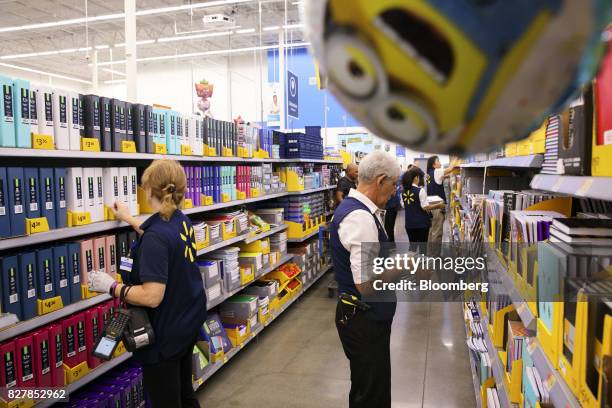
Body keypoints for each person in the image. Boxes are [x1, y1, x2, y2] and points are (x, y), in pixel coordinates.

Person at [88, 159, 206, 408]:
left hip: (165, 337)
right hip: (186, 325)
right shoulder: (180, 220)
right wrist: (130, 219)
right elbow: (162, 241)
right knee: (185, 394)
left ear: (150, 190)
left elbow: (152, 296)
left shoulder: (156, 237)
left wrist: (111, 286)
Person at [330, 151, 400, 408]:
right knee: (371, 394)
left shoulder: (361, 211)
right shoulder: (360, 217)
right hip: (364, 319)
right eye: (394, 184)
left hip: (364, 317)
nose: (395, 192)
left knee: (369, 385)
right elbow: (366, 285)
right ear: (380, 181)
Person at [401, 167, 445, 254]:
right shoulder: (420, 191)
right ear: (416, 178)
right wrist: (439, 205)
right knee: (423, 247)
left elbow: (404, 205)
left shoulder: (403, 191)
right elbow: (425, 207)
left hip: (409, 223)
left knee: (412, 247)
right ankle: (422, 266)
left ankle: (411, 265)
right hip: (422, 224)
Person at [425, 155, 456, 243]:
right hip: (437, 206)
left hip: (431, 205)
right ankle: (435, 255)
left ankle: (430, 253)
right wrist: (457, 157)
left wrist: (447, 176)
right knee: (437, 232)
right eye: (438, 161)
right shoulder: (437, 171)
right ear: (433, 165)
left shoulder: (429, 173)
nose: (440, 163)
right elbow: (450, 168)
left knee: (432, 231)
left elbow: (440, 178)